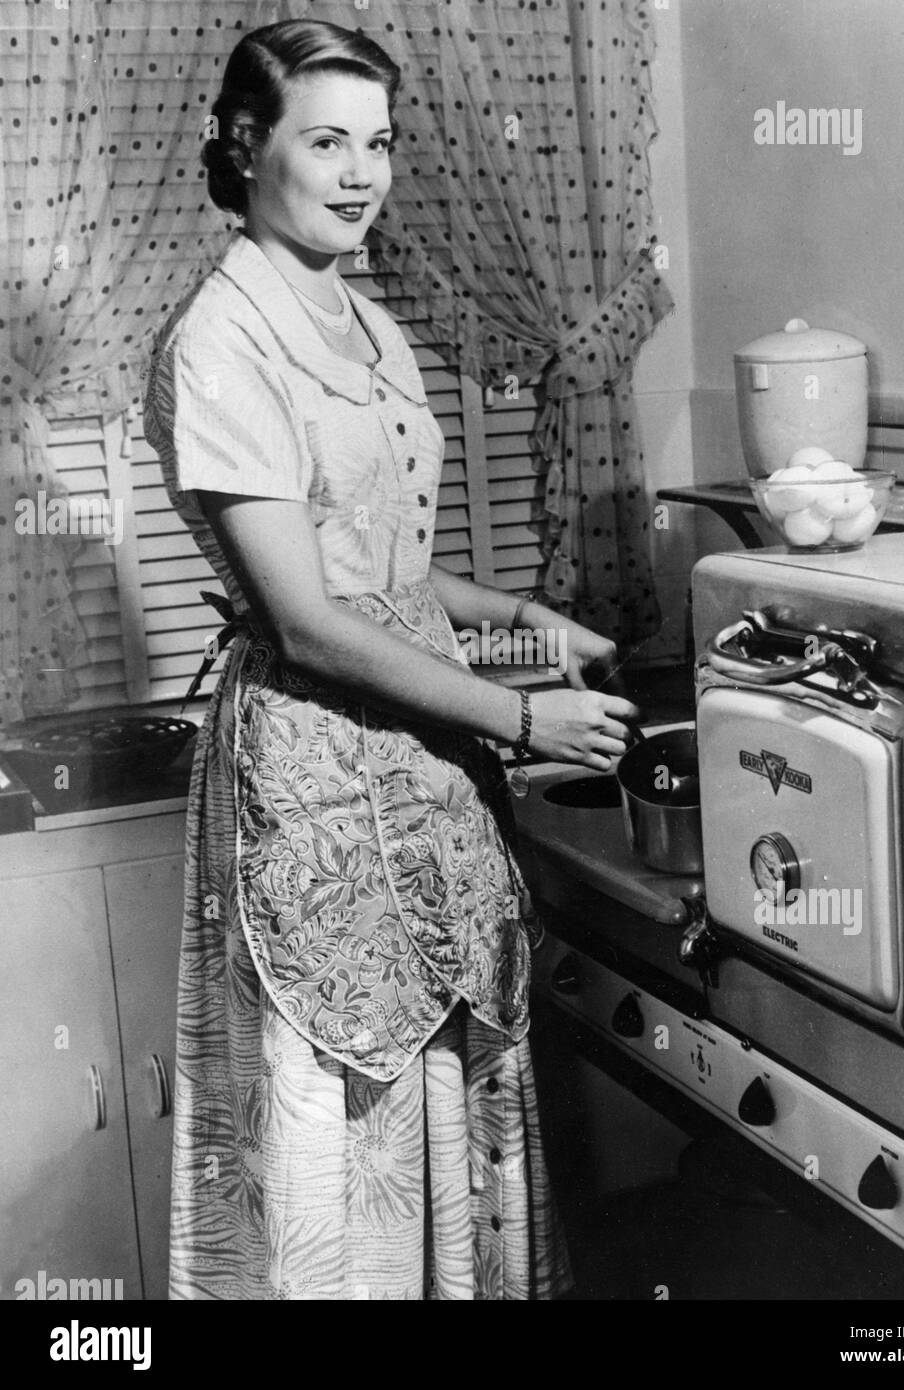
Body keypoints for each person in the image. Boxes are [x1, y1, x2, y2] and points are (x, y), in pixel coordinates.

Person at [143, 18, 638, 1300]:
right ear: (248, 148)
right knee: (343, 1108)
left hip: (424, 776)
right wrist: (522, 721)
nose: (362, 172)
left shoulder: (367, 323)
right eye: (326, 140)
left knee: (443, 1088)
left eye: (379, 142)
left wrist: (531, 628)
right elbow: (309, 620)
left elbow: (389, 572)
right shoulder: (218, 342)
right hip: (311, 775)